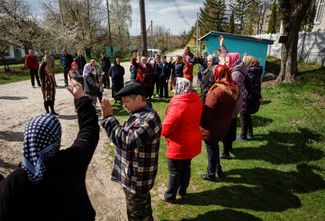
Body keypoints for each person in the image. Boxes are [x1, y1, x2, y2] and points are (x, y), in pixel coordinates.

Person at [0, 79, 100, 221]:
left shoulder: (13, 183)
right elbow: (89, 131)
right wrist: (82, 99)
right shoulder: (72, 161)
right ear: (56, 139)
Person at [100, 82, 162, 221]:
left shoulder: (149, 119)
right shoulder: (139, 113)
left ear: (139, 98)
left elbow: (126, 141)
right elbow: (124, 135)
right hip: (132, 175)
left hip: (137, 180)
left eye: (126, 101)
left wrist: (109, 118)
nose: (123, 105)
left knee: (137, 215)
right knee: (141, 210)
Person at [162, 77, 202, 202]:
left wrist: (162, 132)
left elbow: (166, 127)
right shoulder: (196, 100)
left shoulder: (179, 104)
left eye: (174, 87)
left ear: (179, 87)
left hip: (179, 143)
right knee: (186, 167)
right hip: (191, 140)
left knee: (174, 170)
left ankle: (170, 196)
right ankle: (183, 191)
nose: (173, 90)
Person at [200, 65, 239, 181]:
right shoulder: (234, 88)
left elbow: (207, 113)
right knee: (215, 147)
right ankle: (218, 169)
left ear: (217, 74)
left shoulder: (216, 91)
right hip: (224, 124)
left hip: (212, 126)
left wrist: (203, 101)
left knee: (211, 149)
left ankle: (211, 174)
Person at [221, 52, 247, 159]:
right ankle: (229, 147)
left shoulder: (235, 74)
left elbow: (233, 91)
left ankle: (225, 151)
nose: (226, 63)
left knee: (228, 127)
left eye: (227, 61)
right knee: (231, 125)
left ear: (233, 60)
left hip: (232, 103)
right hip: (235, 103)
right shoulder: (235, 70)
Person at [240, 55, 263, 140]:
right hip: (251, 97)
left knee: (243, 115)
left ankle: (243, 136)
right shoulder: (256, 71)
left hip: (247, 98)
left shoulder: (250, 73)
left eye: (245, 61)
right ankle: (250, 133)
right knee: (247, 115)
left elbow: (249, 86)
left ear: (249, 63)